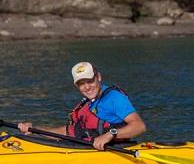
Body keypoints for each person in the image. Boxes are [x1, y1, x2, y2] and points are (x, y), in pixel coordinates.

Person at [18, 61, 146, 151]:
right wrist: (34, 130)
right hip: (85, 150)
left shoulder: (114, 98)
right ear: (76, 86)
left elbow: (139, 126)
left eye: (90, 81)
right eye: (81, 84)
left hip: (116, 151)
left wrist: (110, 134)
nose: (87, 87)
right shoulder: (86, 104)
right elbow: (67, 132)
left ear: (99, 77)